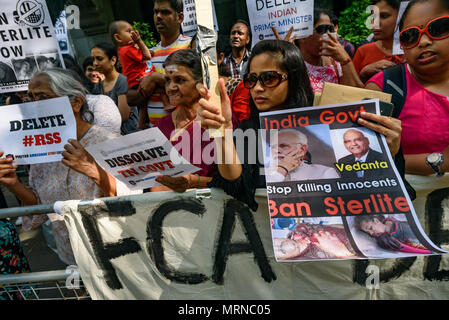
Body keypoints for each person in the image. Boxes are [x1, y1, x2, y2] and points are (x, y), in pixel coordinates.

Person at [198, 40, 401, 211]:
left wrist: (389, 154)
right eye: (252, 79)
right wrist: (223, 132)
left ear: (294, 78)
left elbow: (368, 190)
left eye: (269, 78)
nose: (258, 88)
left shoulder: (332, 124)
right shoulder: (248, 130)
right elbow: (236, 188)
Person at [0, 69, 140, 265]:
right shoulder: (41, 151)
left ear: (75, 102)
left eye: (42, 96)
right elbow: (41, 207)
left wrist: (91, 169)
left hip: (118, 257)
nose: (33, 104)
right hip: (73, 258)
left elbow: (134, 202)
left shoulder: (108, 141)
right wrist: (14, 184)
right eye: (30, 96)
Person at [153, 49, 220, 192]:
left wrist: (193, 181)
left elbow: (233, 180)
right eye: (167, 81)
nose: (170, 88)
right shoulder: (163, 125)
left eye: (179, 80)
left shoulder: (217, 120)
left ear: (201, 83)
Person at [127, 0, 191, 127]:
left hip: (185, 130)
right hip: (156, 134)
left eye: (165, 12)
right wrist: (144, 88)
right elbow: (130, 98)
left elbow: (193, 87)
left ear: (180, 17)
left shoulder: (189, 47)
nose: (159, 16)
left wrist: (155, 78)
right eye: (156, 12)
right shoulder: (149, 54)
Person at [294, 8, 364, 93]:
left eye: (331, 29)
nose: (329, 34)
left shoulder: (335, 62)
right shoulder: (292, 64)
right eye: (322, 29)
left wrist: (345, 60)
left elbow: (356, 93)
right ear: (303, 36)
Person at [91, 42, 139, 135]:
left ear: (113, 60)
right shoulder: (97, 87)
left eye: (99, 59)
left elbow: (123, 116)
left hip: (129, 135)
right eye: (93, 59)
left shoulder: (123, 81)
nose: (95, 63)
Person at [353, 0, 406, 83]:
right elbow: (350, 91)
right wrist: (363, 74)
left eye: (384, 16)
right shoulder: (363, 52)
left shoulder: (413, 50)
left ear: (401, 17)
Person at [267, 129, 339, 182]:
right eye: (273, 147)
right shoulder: (265, 173)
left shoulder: (325, 172)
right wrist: (282, 169)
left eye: (284, 146)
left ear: (302, 149)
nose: (276, 150)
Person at [109, 20, 155, 89]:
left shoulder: (122, 50)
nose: (133, 33)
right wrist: (139, 41)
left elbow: (151, 52)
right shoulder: (128, 49)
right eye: (129, 31)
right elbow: (148, 56)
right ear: (118, 38)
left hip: (134, 82)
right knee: (159, 78)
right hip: (139, 81)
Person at [353, 215, 431, 253]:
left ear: (376, 221)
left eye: (370, 228)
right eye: (367, 232)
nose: (371, 233)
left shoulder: (402, 231)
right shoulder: (389, 222)